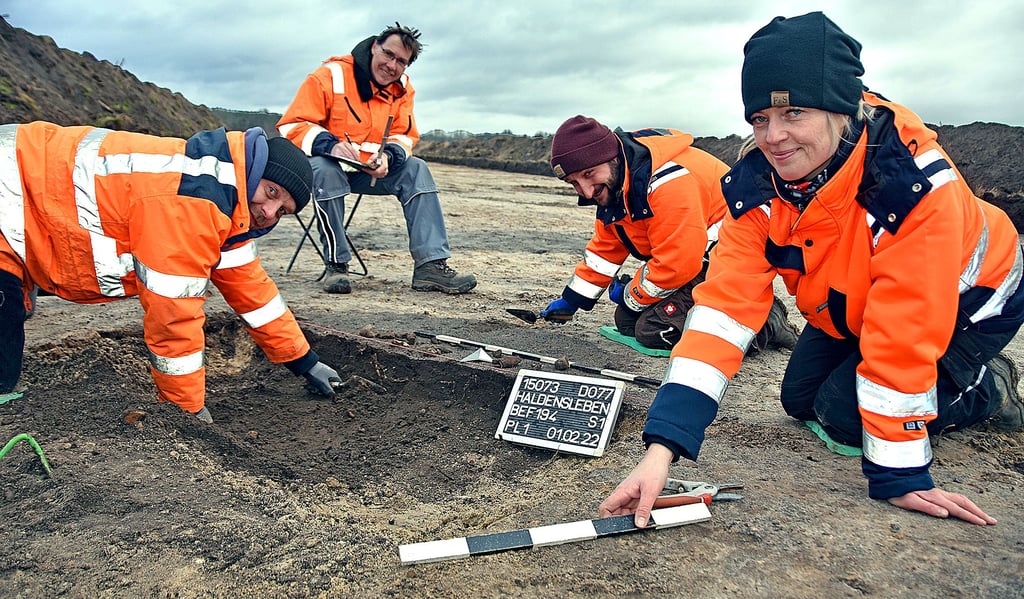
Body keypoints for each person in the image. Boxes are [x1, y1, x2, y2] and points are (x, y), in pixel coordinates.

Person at [600, 11, 1024, 527]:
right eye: (760, 118)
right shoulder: (757, 191)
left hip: (970, 303)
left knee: (846, 418)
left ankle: (989, 387)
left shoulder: (911, 187)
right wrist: (662, 448)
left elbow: (904, 332)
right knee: (800, 400)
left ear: (841, 109)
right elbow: (722, 314)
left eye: (794, 112)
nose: (774, 136)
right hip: (851, 303)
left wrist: (900, 475)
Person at [0, 121, 344, 423]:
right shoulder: (193, 201)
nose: (269, 212)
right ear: (253, 169)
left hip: (28, 208)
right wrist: (187, 410)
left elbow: (255, 295)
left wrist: (305, 362)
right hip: (11, 180)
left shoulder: (227, 206)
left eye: (282, 210)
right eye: (271, 192)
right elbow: (172, 316)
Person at [540, 115, 798, 352]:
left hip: (731, 260)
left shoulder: (667, 182)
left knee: (654, 331)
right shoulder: (619, 184)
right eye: (574, 183)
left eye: (589, 174)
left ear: (613, 159)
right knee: (626, 321)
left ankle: (765, 321)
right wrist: (572, 300)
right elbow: (605, 251)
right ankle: (741, 310)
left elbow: (677, 264)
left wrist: (630, 293)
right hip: (696, 259)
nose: (586, 191)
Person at [277, 22, 476, 295]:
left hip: (371, 173)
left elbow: (404, 135)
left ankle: (430, 266)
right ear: (374, 47)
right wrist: (331, 146)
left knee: (417, 169)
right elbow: (293, 124)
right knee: (325, 169)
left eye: (401, 62)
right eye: (388, 54)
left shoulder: (403, 88)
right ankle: (336, 266)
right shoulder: (330, 75)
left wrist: (389, 158)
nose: (391, 65)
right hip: (327, 166)